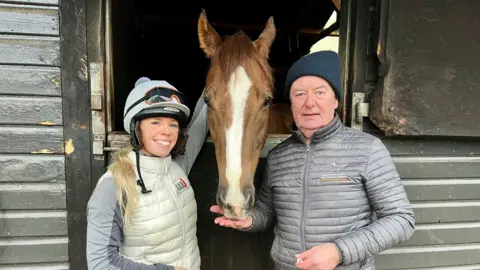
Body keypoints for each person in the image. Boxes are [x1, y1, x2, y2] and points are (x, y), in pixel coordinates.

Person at [210, 51, 416, 270]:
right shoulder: (278, 157)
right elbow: (267, 212)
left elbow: (401, 219)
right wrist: (248, 220)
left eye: (319, 92)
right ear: (290, 103)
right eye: (299, 94)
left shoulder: (367, 150)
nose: (309, 103)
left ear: (335, 99)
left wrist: (339, 252)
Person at [86, 77, 208, 270]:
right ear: (136, 128)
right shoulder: (113, 185)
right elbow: (100, 263)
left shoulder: (176, 168)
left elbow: (202, 121)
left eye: (173, 124)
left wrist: (219, 68)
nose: (166, 131)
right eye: (155, 122)